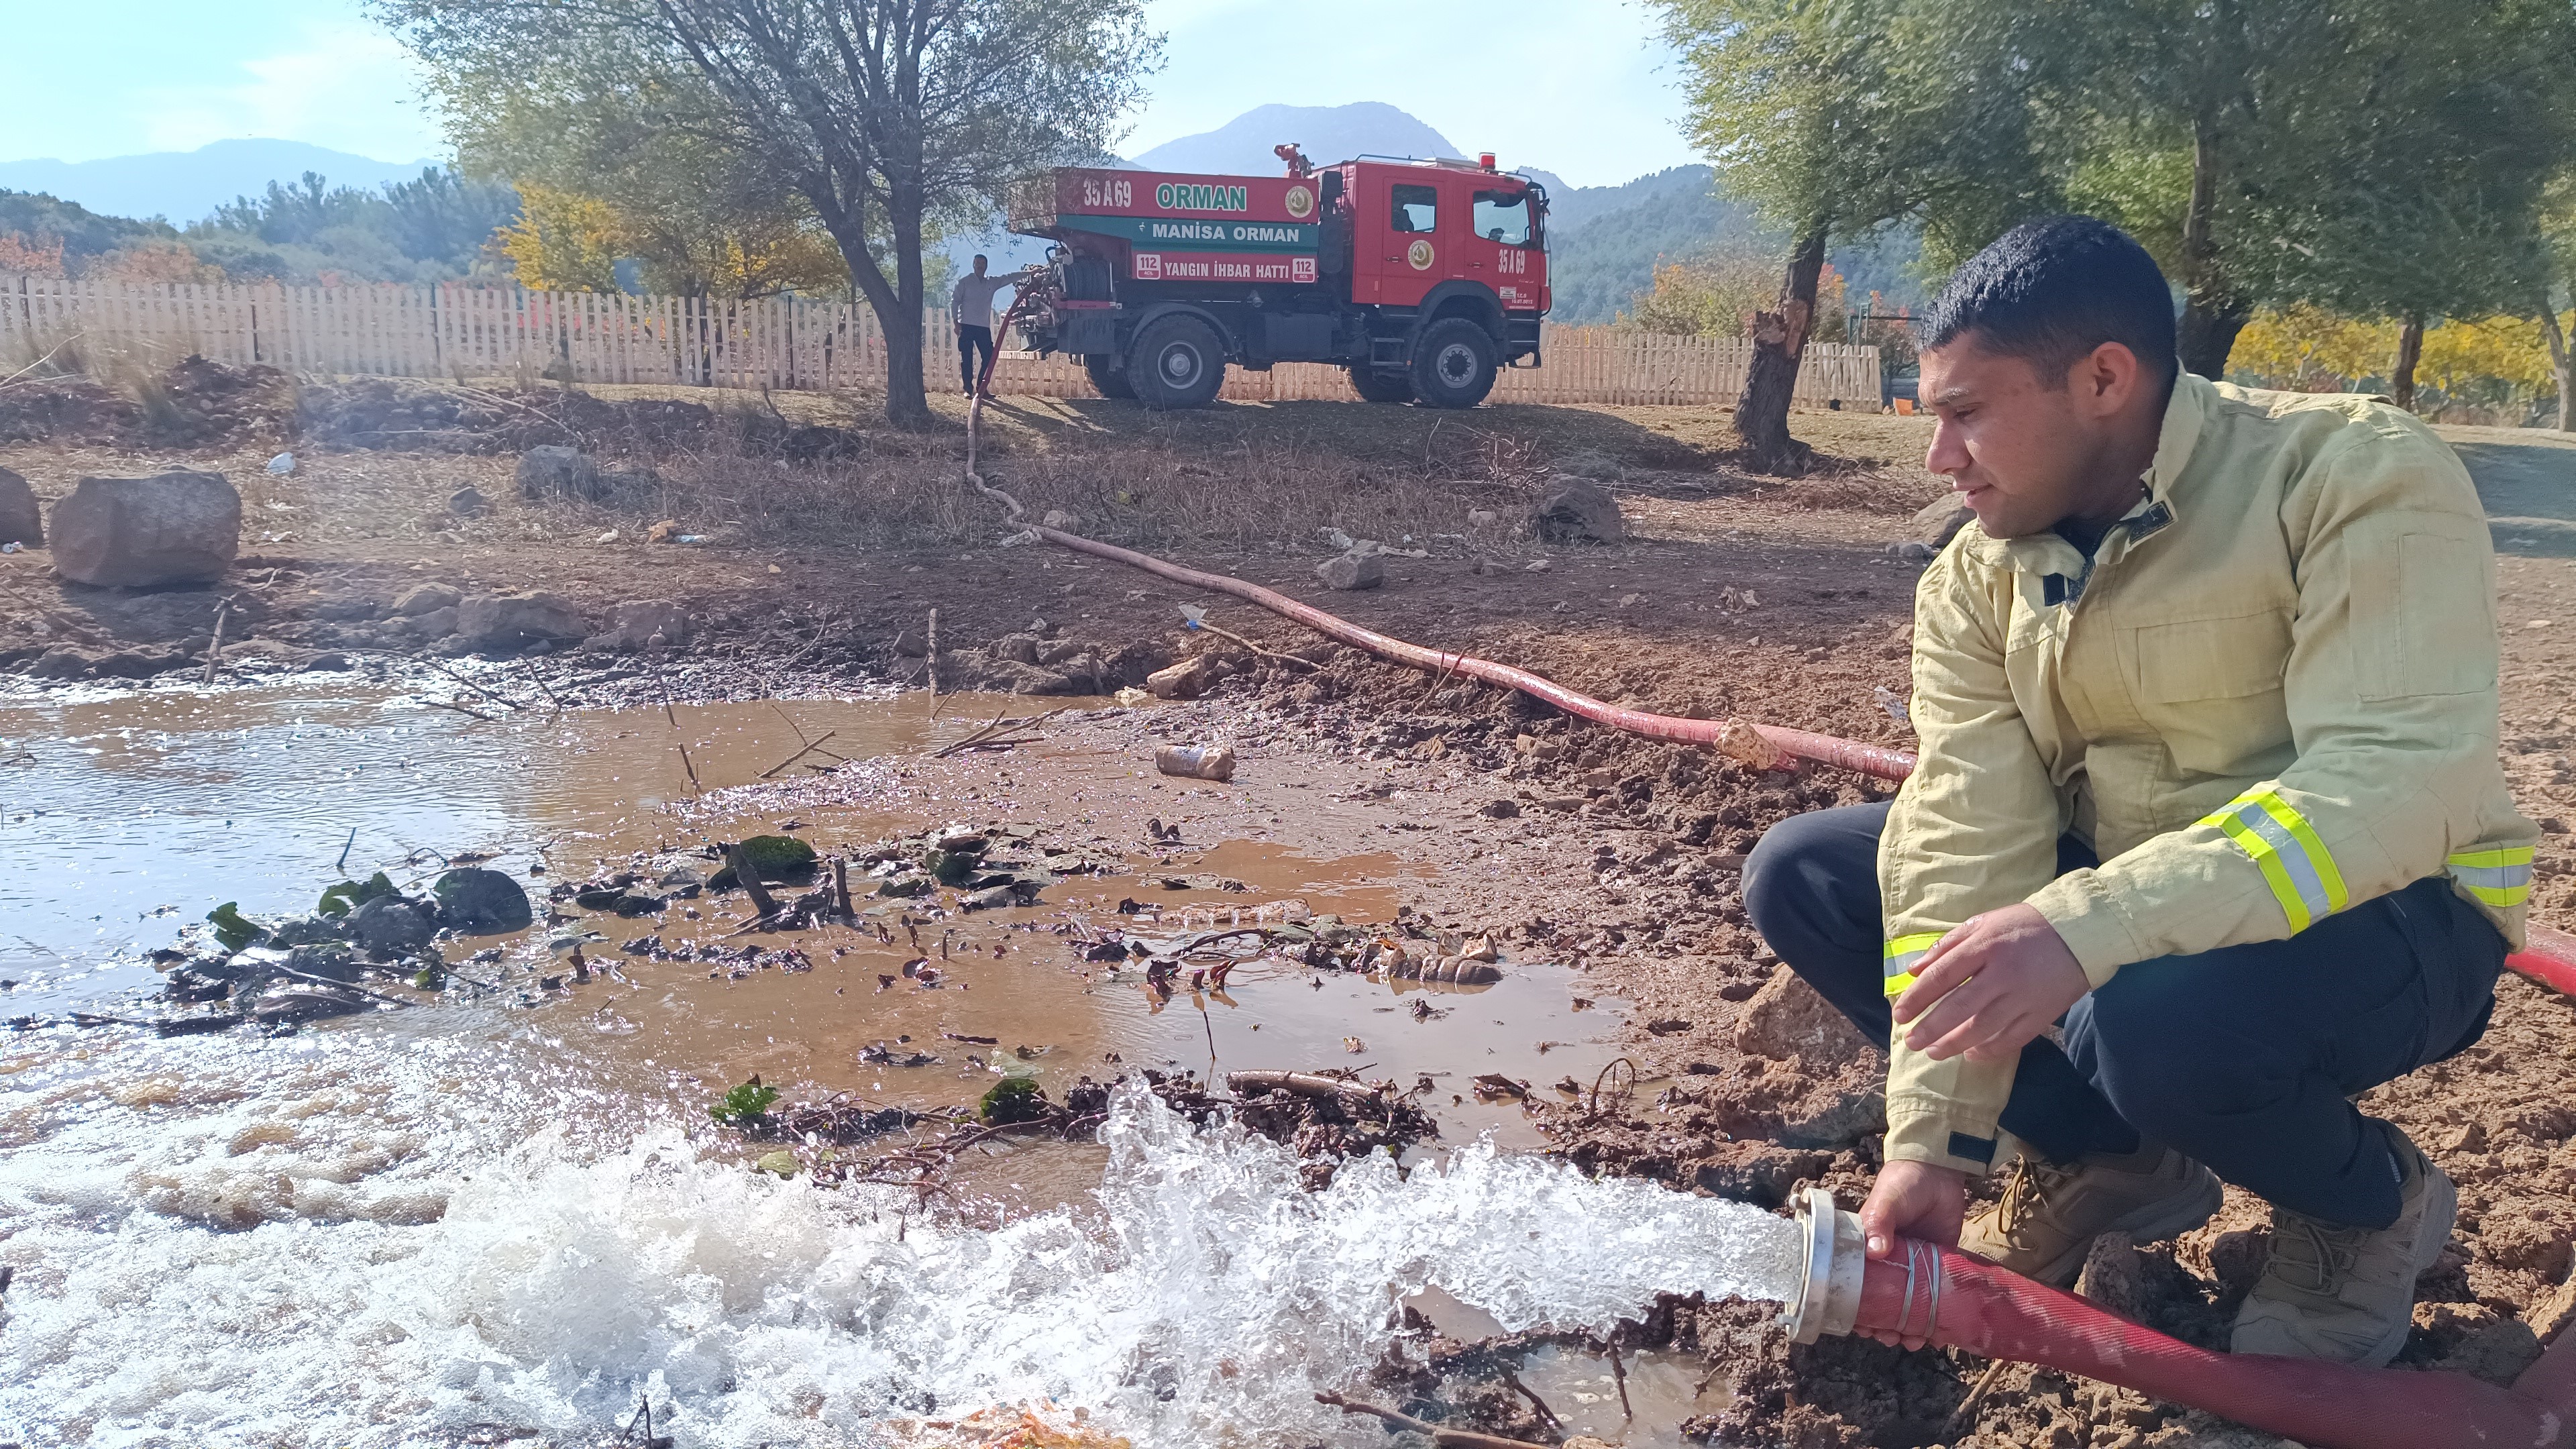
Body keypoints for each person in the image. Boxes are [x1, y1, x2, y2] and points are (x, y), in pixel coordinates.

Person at [1741, 216, 2534, 1368]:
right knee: (1812, 876)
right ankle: (2111, 1158)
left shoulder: (2350, 473)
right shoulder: (1977, 576)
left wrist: (2087, 927)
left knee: (2148, 1019)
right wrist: (1934, 1143)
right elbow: (1967, 835)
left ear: (2104, 379)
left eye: (1967, 413)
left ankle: (2368, 1206)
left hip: (2400, 917)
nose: (1939, 458)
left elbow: (2389, 788)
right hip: (2142, 920)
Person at [952, 254, 1008, 398]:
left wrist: (1030, 274)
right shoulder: (964, 282)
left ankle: (981, 387)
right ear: (973, 265)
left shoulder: (991, 283)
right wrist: (956, 322)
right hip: (966, 325)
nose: (980, 266)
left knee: (989, 356)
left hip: (983, 327)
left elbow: (1008, 277)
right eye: (977, 263)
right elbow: (955, 302)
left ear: (986, 265)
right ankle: (968, 390)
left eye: (982, 263)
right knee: (967, 358)